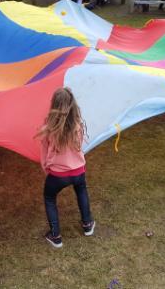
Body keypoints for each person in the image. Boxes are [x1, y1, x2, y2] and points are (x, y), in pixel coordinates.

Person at [37, 88, 95, 248]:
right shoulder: (77, 124)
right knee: (81, 190)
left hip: (57, 175)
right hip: (78, 171)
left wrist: (46, 168)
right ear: (72, 105)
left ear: (54, 105)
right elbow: (79, 146)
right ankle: (87, 224)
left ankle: (55, 236)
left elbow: (43, 151)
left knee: (49, 198)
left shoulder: (49, 127)